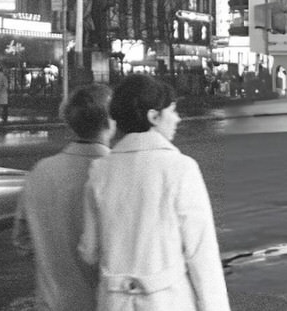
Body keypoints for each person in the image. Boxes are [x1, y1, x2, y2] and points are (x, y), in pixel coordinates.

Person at [79, 74, 229, 310]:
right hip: (168, 301)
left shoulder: (100, 170)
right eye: (173, 110)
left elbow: (89, 251)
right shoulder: (181, 168)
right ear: (153, 116)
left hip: (114, 302)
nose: (177, 119)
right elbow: (202, 254)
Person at [14, 84, 115, 310]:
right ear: (110, 122)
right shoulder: (116, 175)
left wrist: (52, 262)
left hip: (51, 301)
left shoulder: (40, 171)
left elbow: (22, 239)